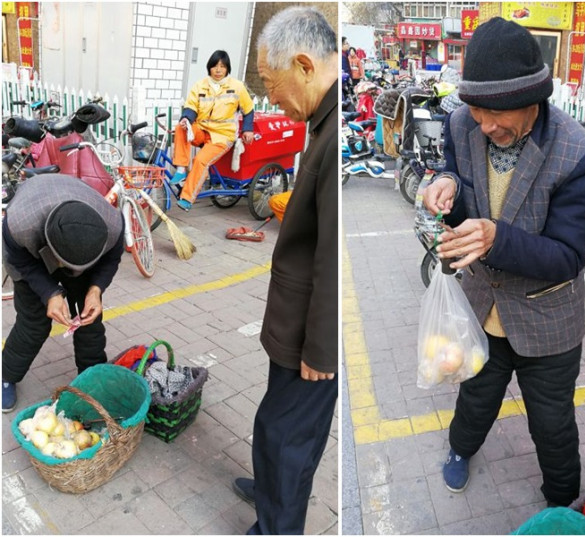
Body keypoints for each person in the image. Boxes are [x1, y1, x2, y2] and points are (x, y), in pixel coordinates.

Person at [422, 17, 585, 507]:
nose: (485, 125)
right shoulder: (463, 125)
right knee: (476, 395)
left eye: (496, 114)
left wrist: (495, 238)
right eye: (477, 111)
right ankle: (461, 450)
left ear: (532, 100)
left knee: (552, 421)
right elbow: (458, 182)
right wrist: (446, 186)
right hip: (483, 304)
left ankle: (562, 500)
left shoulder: (577, 152)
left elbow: (568, 256)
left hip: (548, 319)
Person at [232, 6, 338, 534]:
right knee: (277, 419)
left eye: (272, 84)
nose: (270, 97)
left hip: (313, 337)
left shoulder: (334, 134)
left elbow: (335, 256)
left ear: (303, 65)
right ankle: (270, 487)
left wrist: (322, 348)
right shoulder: (321, 121)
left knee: (288, 436)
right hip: (294, 323)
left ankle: (278, 522)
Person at [2, 174, 124, 412]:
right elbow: (22, 262)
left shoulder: (113, 225)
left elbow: (111, 260)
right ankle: (6, 375)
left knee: (90, 318)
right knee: (34, 323)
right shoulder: (19, 226)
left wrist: (96, 289)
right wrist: (50, 293)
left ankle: (92, 380)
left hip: (79, 240)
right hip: (31, 255)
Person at [170, 49, 255, 211]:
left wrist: (247, 129)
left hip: (222, 136)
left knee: (200, 160)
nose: (218, 70)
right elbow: (191, 107)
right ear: (209, 67)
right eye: (215, 66)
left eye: (222, 67)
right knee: (180, 128)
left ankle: (187, 198)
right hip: (202, 130)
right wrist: (186, 119)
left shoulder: (237, 87)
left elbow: (249, 110)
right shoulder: (200, 85)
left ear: (227, 69)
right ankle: (181, 168)